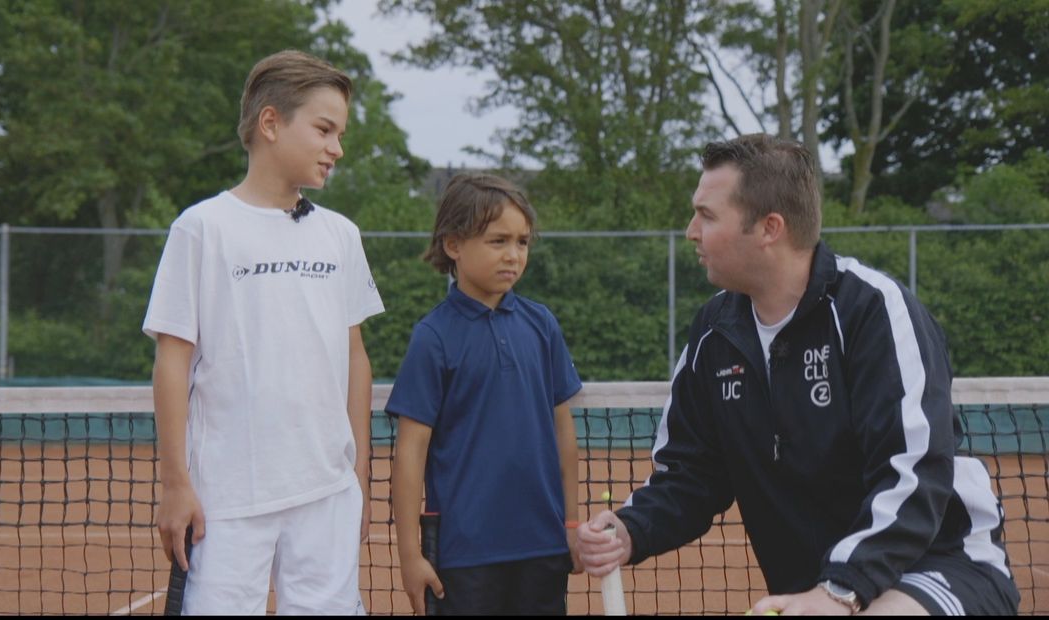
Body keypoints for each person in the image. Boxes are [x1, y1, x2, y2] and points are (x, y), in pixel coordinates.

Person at [576, 134, 1020, 616]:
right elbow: (691, 476)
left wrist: (840, 591)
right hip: (819, 586)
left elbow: (913, 473)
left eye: (706, 215)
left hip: (938, 566)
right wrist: (630, 529)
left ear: (769, 228)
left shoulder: (873, 310)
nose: (690, 231)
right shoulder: (713, 333)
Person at [143, 50, 384, 615]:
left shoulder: (341, 236)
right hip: (227, 499)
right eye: (324, 129)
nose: (337, 148)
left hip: (327, 493)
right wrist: (176, 484)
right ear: (271, 123)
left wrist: (358, 480)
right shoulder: (201, 228)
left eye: (341, 133)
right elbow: (172, 362)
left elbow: (356, 357)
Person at [387, 173, 583, 615]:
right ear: (454, 245)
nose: (513, 255)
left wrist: (570, 524)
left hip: (543, 548)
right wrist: (410, 555)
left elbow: (563, 434)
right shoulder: (432, 336)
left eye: (522, 242)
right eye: (498, 241)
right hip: (464, 557)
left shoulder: (542, 325)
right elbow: (410, 453)